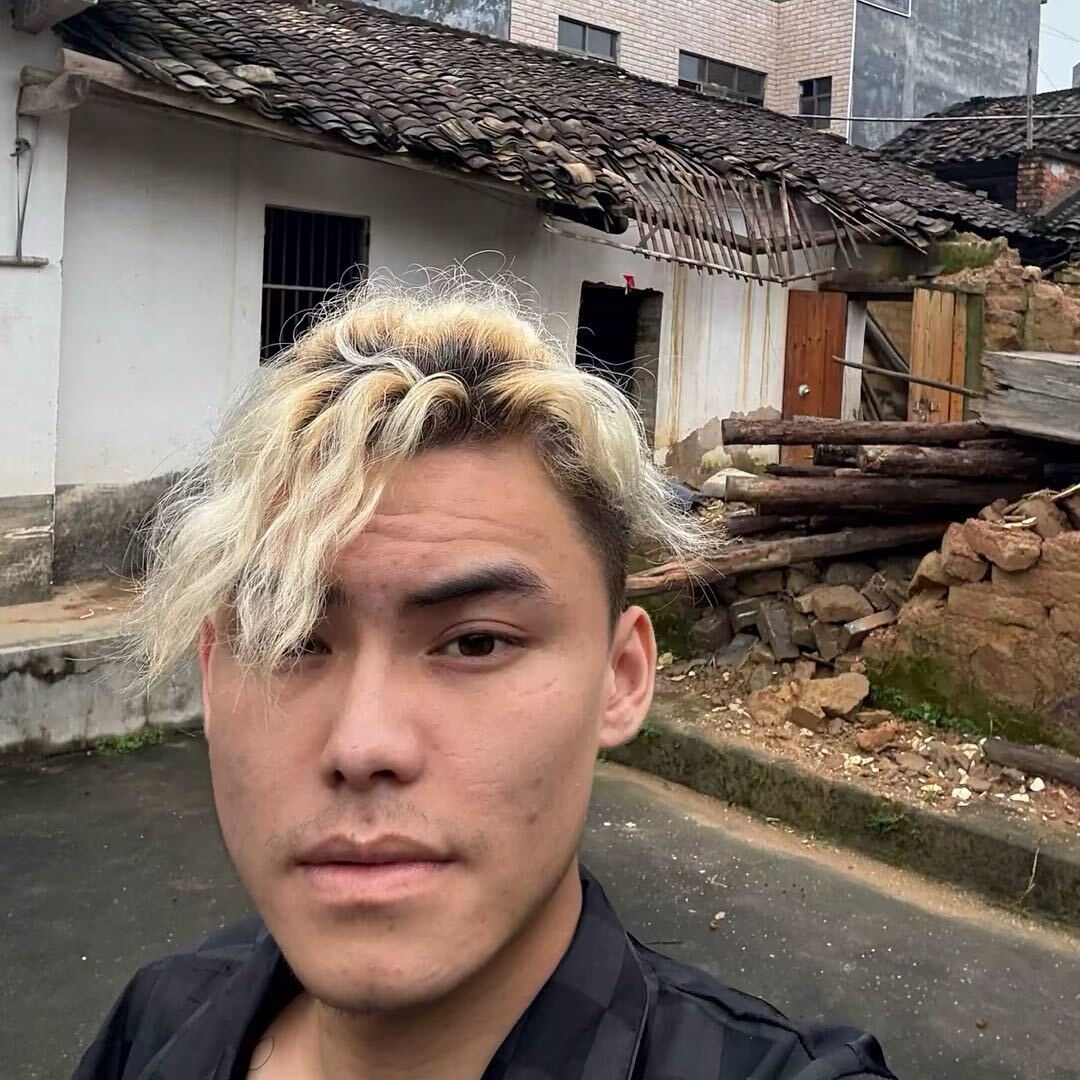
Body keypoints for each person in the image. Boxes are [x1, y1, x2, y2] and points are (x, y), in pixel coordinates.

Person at [76, 279, 896, 1079]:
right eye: (290, 641)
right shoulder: (156, 1024)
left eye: (474, 644)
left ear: (621, 679)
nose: (363, 746)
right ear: (210, 674)